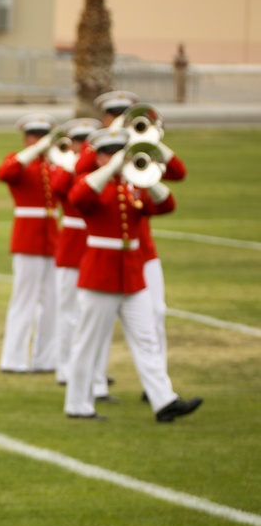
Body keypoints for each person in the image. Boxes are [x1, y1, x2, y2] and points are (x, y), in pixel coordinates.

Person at [64, 126, 201, 422]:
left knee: (147, 338)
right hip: (100, 275)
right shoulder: (93, 183)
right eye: (110, 154)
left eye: (119, 153)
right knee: (88, 342)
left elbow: (167, 205)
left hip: (132, 274)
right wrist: (112, 168)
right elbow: (78, 197)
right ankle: (78, 404)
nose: (117, 158)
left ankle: (164, 401)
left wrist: (148, 178)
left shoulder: (133, 186)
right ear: (100, 158)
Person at [49, 117, 115, 401]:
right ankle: (64, 368)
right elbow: (59, 188)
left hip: (96, 246)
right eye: (80, 142)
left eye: (89, 142)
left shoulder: (101, 170)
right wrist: (83, 157)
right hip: (73, 245)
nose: (83, 147)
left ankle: (96, 375)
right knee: (68, 313)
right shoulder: (69, 165)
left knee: (95, 319)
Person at [0, 113, 60, 374]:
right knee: (24, 300)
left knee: (51, 302)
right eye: (34, 136)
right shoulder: (19, 161)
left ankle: (46, 358)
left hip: (51, 238)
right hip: (27, 237)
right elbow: (5, 173)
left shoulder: (53, 164)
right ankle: (14, 359)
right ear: (26, 138)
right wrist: (34, 151)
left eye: (43, 136)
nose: (39, 140)